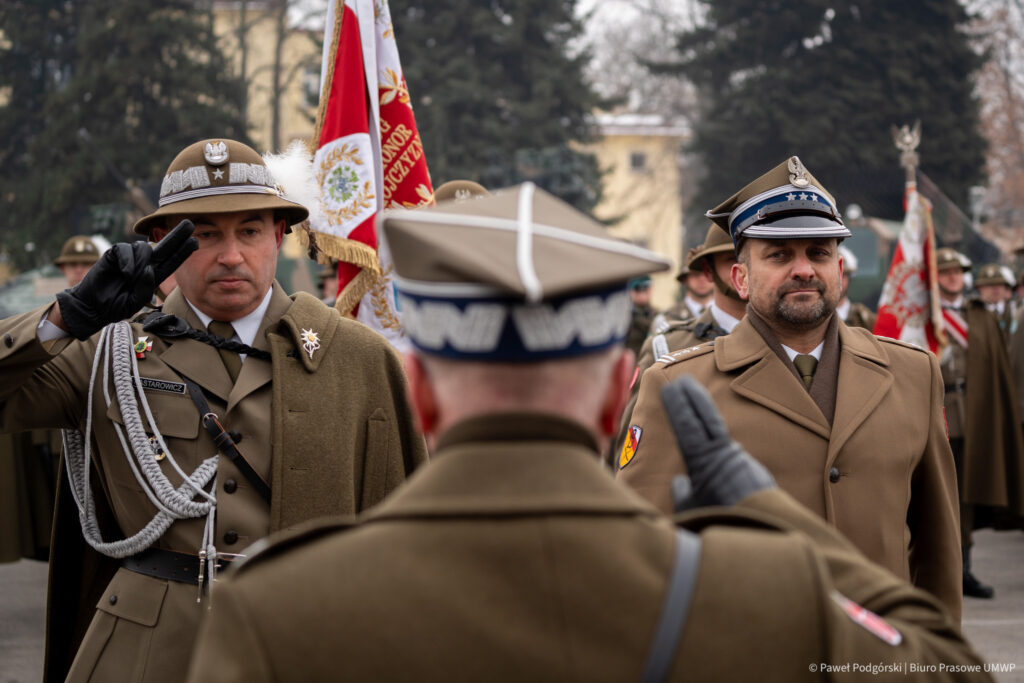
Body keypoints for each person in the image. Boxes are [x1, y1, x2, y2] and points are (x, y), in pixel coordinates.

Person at [186, 184, 983, 682]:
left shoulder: (280, 609)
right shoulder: (765, 592)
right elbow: (949, 664)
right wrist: (773, 516)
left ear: (419, 393)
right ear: (613, 395)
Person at [0, 138, 427, 682]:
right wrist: (66, 317)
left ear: (280, 234)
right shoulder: (108, 351)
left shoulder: (356, 358)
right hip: (148, 651)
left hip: (309, 642)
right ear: (162, 242)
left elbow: (410, 534)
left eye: (249, 231)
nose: (230, 255)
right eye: (204, 234)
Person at [617, 157, 962, 618]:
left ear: (839, 268)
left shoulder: (913, 374)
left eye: (818, 253)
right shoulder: (676, 385)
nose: (803, 269)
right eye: (779, 255)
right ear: (740, 278)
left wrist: (935, 652)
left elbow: (938, 553)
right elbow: (642, 557)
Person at [610, 224, 744, 469]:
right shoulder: (666, 344)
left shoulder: (794, 341)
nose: (743, 270)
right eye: (731, 260)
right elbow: (633, 454)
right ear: (708, 270)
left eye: (754, 259)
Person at [936, 248, 1024, 599]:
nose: (952, 277)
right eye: (945, 272)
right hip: (936, 412)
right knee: (936, 493)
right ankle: (937, 570)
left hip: (975, 414)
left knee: (967, 495)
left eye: (957, 271)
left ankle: (963, 570)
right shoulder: (924, 314)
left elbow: (998, 368)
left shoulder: (979, 315)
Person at [974, 263, 1017, 341]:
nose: (996, 288)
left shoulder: (1015, 310)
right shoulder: (972, 312)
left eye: (999, 284)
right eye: (990, 284)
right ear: (979, 288)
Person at [836, 245, 875, 330]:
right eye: (835, 275)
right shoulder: (816, 316)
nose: (839, 280)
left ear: (849, 279)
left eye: (843, 275)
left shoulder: (863, 318)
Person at [625, 274, 657, 356]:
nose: (642, 294)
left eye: (645, 289)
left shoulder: (657, 313)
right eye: (638, 289)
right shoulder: (624, 315)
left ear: (651, 289)